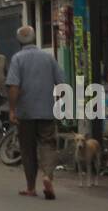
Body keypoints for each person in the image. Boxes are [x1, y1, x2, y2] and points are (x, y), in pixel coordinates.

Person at [5, 26, 65, 201]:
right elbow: (61, 85)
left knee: (28, 149)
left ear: (19, 42)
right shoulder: (48, 58)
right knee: (48, 144)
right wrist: (57, 103)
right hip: (47, 111)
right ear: (35, 39)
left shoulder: (17, 58)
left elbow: (14, 86)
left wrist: (12, 109)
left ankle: (31, 187)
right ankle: (47, 176)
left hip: (26, 113)